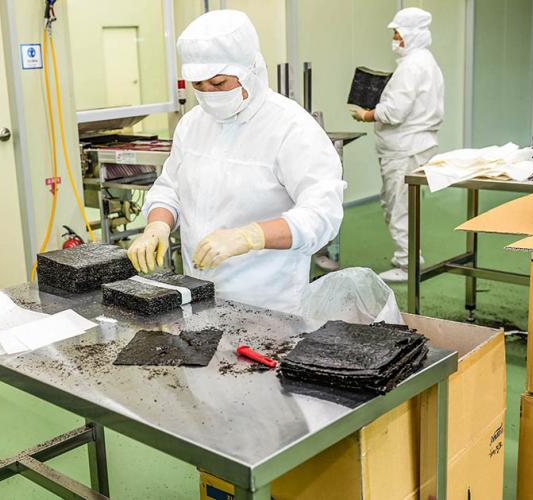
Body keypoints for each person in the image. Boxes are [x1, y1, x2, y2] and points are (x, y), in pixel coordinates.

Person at [127, 9, 345, 315]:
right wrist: (157, 226)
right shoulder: (192, 125)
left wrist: (251, 236)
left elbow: (322, 213)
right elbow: (170, 188)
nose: (208, 94)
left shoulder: (291, 127)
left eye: (218, 83)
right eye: (198, 85)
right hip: (197, 294)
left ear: (250, 71)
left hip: (268, 304)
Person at [349, 7, 444, 283]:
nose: (395, 40)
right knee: (400, 203)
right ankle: (406, 257)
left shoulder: (413, 65)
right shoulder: (425, 62)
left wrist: (367, 114)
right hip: (413, 145)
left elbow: (395, 111)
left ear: (411, 34)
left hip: (405, 148)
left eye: (397, 34)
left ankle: (407, 264)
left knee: (399, 206)